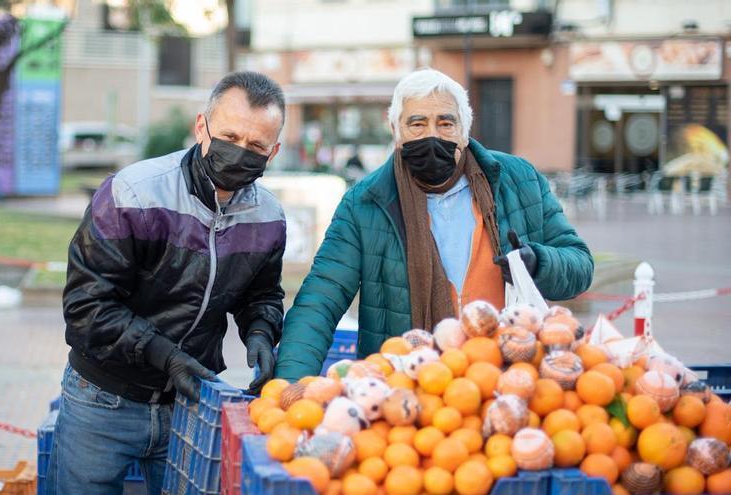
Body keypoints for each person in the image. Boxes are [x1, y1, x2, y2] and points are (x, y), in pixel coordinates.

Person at [48, 71, 287, 495]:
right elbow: (87, 305)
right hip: (104, 396)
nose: (240, 152)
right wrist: (163, 355)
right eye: (229, 136)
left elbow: (262, 293)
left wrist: (262, 331)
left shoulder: (267, 216)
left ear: (274, 151)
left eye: (256, 147)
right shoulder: (134, 194)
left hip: (191, 405)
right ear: (202, 127)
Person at [274, 68, 593, 381]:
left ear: (464, 131)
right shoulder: (365, 203)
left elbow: (579, 267)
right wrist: (287, 385)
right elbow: (320, 299)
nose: (431, 135)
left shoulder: (518, 181)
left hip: (511, 379)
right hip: (409, 385)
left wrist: (538, 263)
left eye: (445, 123)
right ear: (396, 129)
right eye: (417, 123)